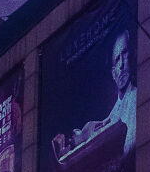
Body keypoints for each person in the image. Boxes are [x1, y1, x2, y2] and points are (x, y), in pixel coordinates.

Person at [53, 29, 137, 161]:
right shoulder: (111, 116)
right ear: (113, 73)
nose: (121, 65)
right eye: (117, 59)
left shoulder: (137, 99)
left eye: (125, 54)